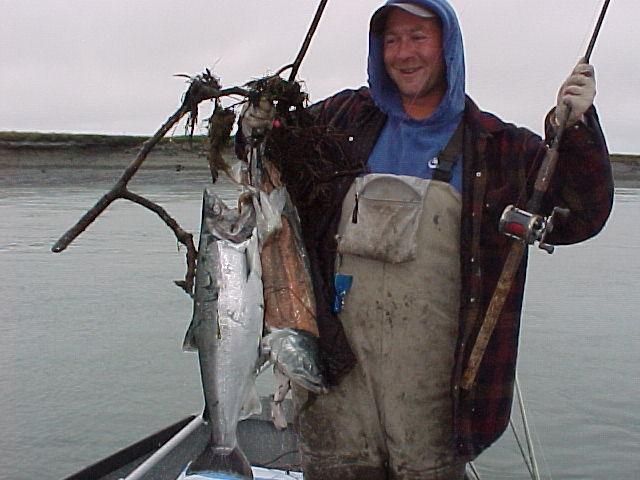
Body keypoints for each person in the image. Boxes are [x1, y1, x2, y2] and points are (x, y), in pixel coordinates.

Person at [241, 1, 613, 478]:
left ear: (448, 46)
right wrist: (255, 126)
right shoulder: (343, 121)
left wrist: (577, 127)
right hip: (336, 381)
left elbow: (582, 214)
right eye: (392, 40)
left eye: (419, 37)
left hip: (434, 400)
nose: (403, 53)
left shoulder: (496, 148)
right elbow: (264, 166)